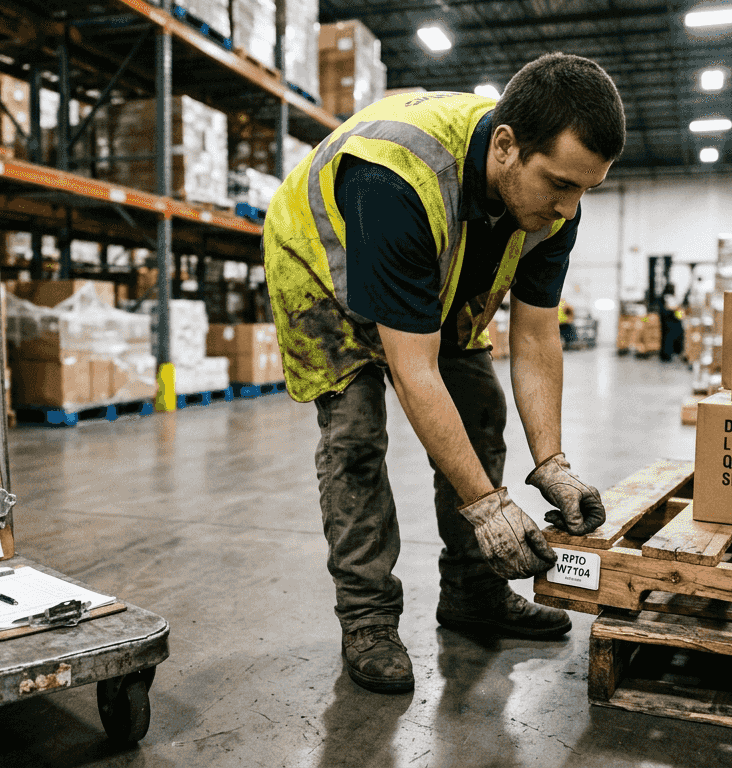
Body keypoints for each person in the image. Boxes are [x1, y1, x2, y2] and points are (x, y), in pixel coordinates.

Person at [263, 53, 624, 694]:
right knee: (355, 440)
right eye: (561, 186)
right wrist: (488, 508)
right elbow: (414, 371)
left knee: (480, 408)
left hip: (439, 266)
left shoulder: (551, 196)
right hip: (325, 269)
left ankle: (472, 596)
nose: (570, 210)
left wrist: (553, 465)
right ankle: (368, 620)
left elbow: (537, 335)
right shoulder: (395, 180)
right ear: (507, 147)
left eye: (583, 190)